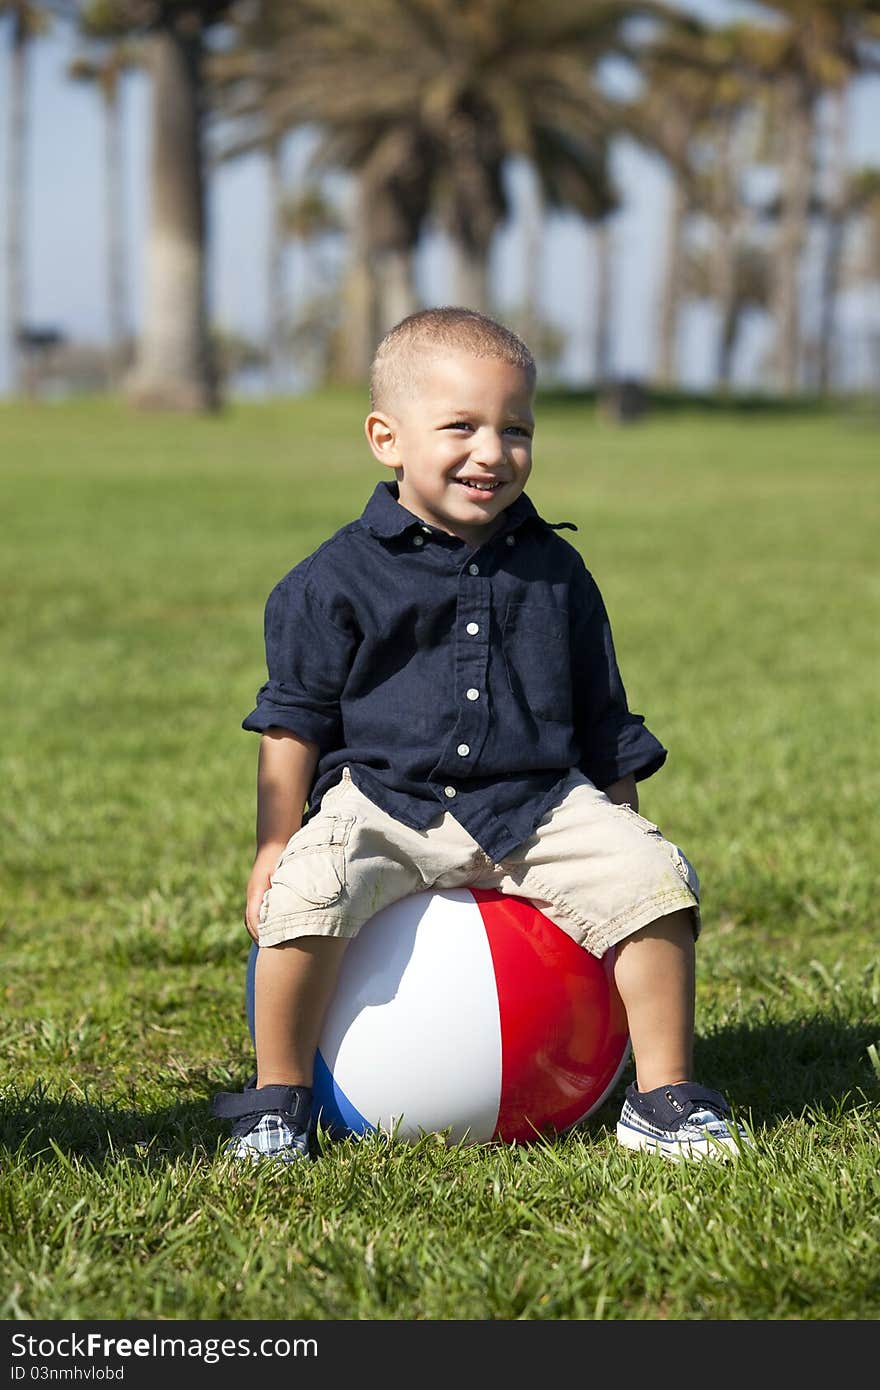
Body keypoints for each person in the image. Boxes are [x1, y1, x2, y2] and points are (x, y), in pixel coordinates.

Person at [212, 307, 749, 1165]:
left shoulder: (558, 571)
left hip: (536, 801)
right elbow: (295, 718)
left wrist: (625, 822)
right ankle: (278, 1099)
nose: (492, 452)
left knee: (657, 883)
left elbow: (604, 717)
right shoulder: (332, 578)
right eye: (460, 426)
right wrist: (275, 842)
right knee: (300, 903)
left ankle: (665, 1096)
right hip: (387, 803)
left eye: (516, 429)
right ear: (387, 438)